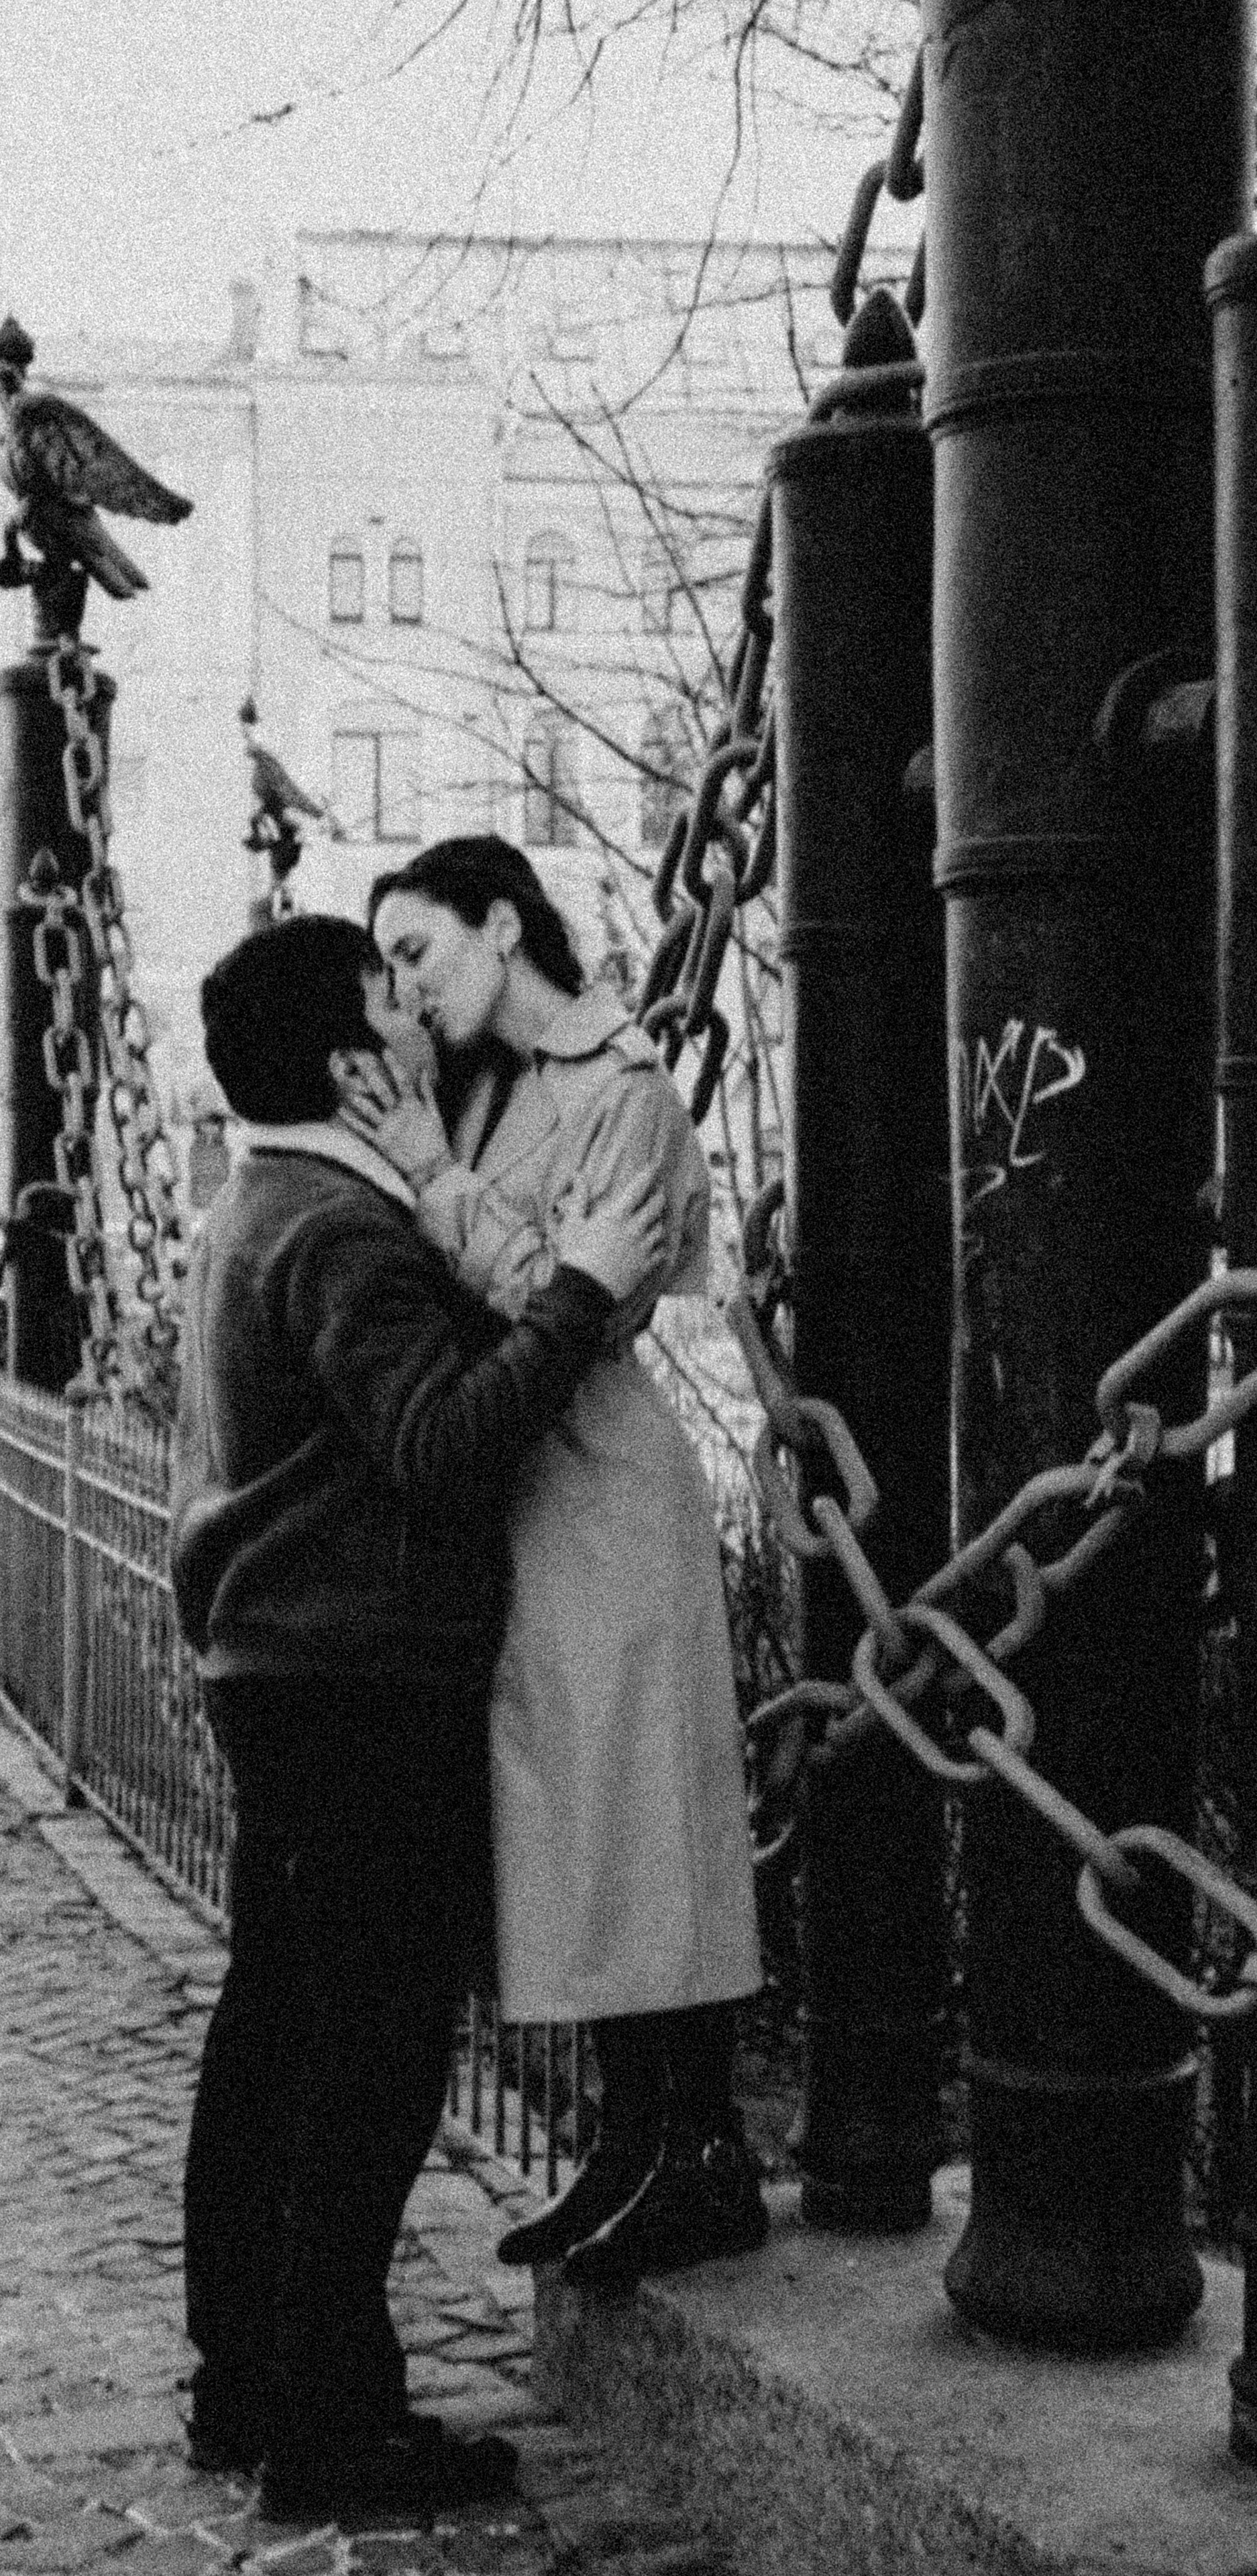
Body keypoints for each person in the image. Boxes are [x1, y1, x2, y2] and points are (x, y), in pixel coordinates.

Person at [170, 913, 667, 2522]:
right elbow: (446, 1443)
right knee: (367, 2064)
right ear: (348, 1055)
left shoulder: (259, 1203)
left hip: (281, 1673)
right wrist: (577, 1297)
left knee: (272, 2039)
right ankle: (331, 2426)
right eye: (387, 990)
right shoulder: (346, 1235)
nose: (411, 1008)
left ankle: (245, 2379)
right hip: (360, 1685)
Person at [348, 835, 765, 2283]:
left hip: (604, 1491)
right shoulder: (479, 1100)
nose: (404, 987)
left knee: (644, 1817)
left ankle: (700, 2149)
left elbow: (576, 1301)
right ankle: (629, 2143)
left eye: (419, 951)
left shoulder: (620, 1093)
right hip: (528, 1498)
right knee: (577, 1833)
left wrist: (432, 1183)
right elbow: (520, 1280)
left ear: (502, 924)